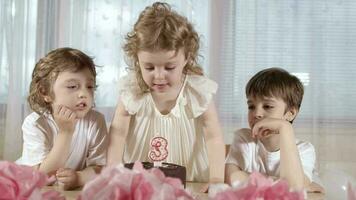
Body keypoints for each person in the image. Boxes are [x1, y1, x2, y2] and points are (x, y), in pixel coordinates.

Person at [107, 2, 225, 188]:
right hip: (140, 181)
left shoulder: (197, 91)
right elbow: (118, 133)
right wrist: (112, 172)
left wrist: (217, 178)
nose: (159, 75)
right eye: (149, 67)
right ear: (137, 59)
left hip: (190, 180)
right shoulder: (132, 89)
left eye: (169, 67)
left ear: (186, 58)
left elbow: (214, 137)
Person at [16, 47, 108, 190]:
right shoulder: (35, 124)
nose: (84, 93)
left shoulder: (96, 121)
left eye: (90, 86)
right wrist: (66, 132)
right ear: (45, 92)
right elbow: (42, 178)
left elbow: (101, 168)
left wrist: (79, 178)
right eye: (72, 86)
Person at [225, 67, 317, 190]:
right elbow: (232, 179)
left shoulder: (305, 150)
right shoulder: (243, 139)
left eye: (267, 106)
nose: (256, 113)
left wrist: (285, 128)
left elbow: (294, 188)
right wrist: (280, 182)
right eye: (251, 106)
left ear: (290, 113)